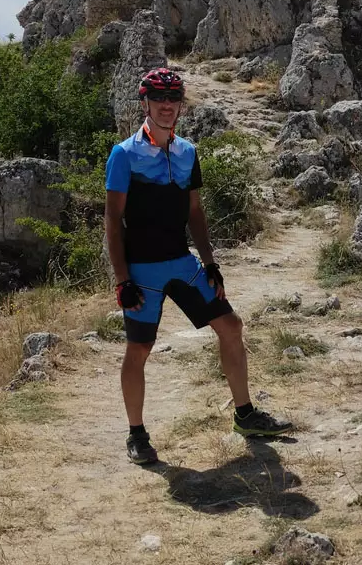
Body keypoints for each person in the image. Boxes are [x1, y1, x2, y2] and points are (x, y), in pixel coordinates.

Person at [105, 67, 294, 465]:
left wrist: (210, 262)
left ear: (180, 106)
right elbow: (112, 220)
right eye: (159, 99)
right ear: (146, 103)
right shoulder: (124, 154)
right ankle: (136, 434)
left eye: (173, 100)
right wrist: (122, 280)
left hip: (181, 261)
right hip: (143, 269)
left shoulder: (187, 152)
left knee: (231, 325)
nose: (167, 106)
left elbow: (194, 211)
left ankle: (245, 415)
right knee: (139, 348)